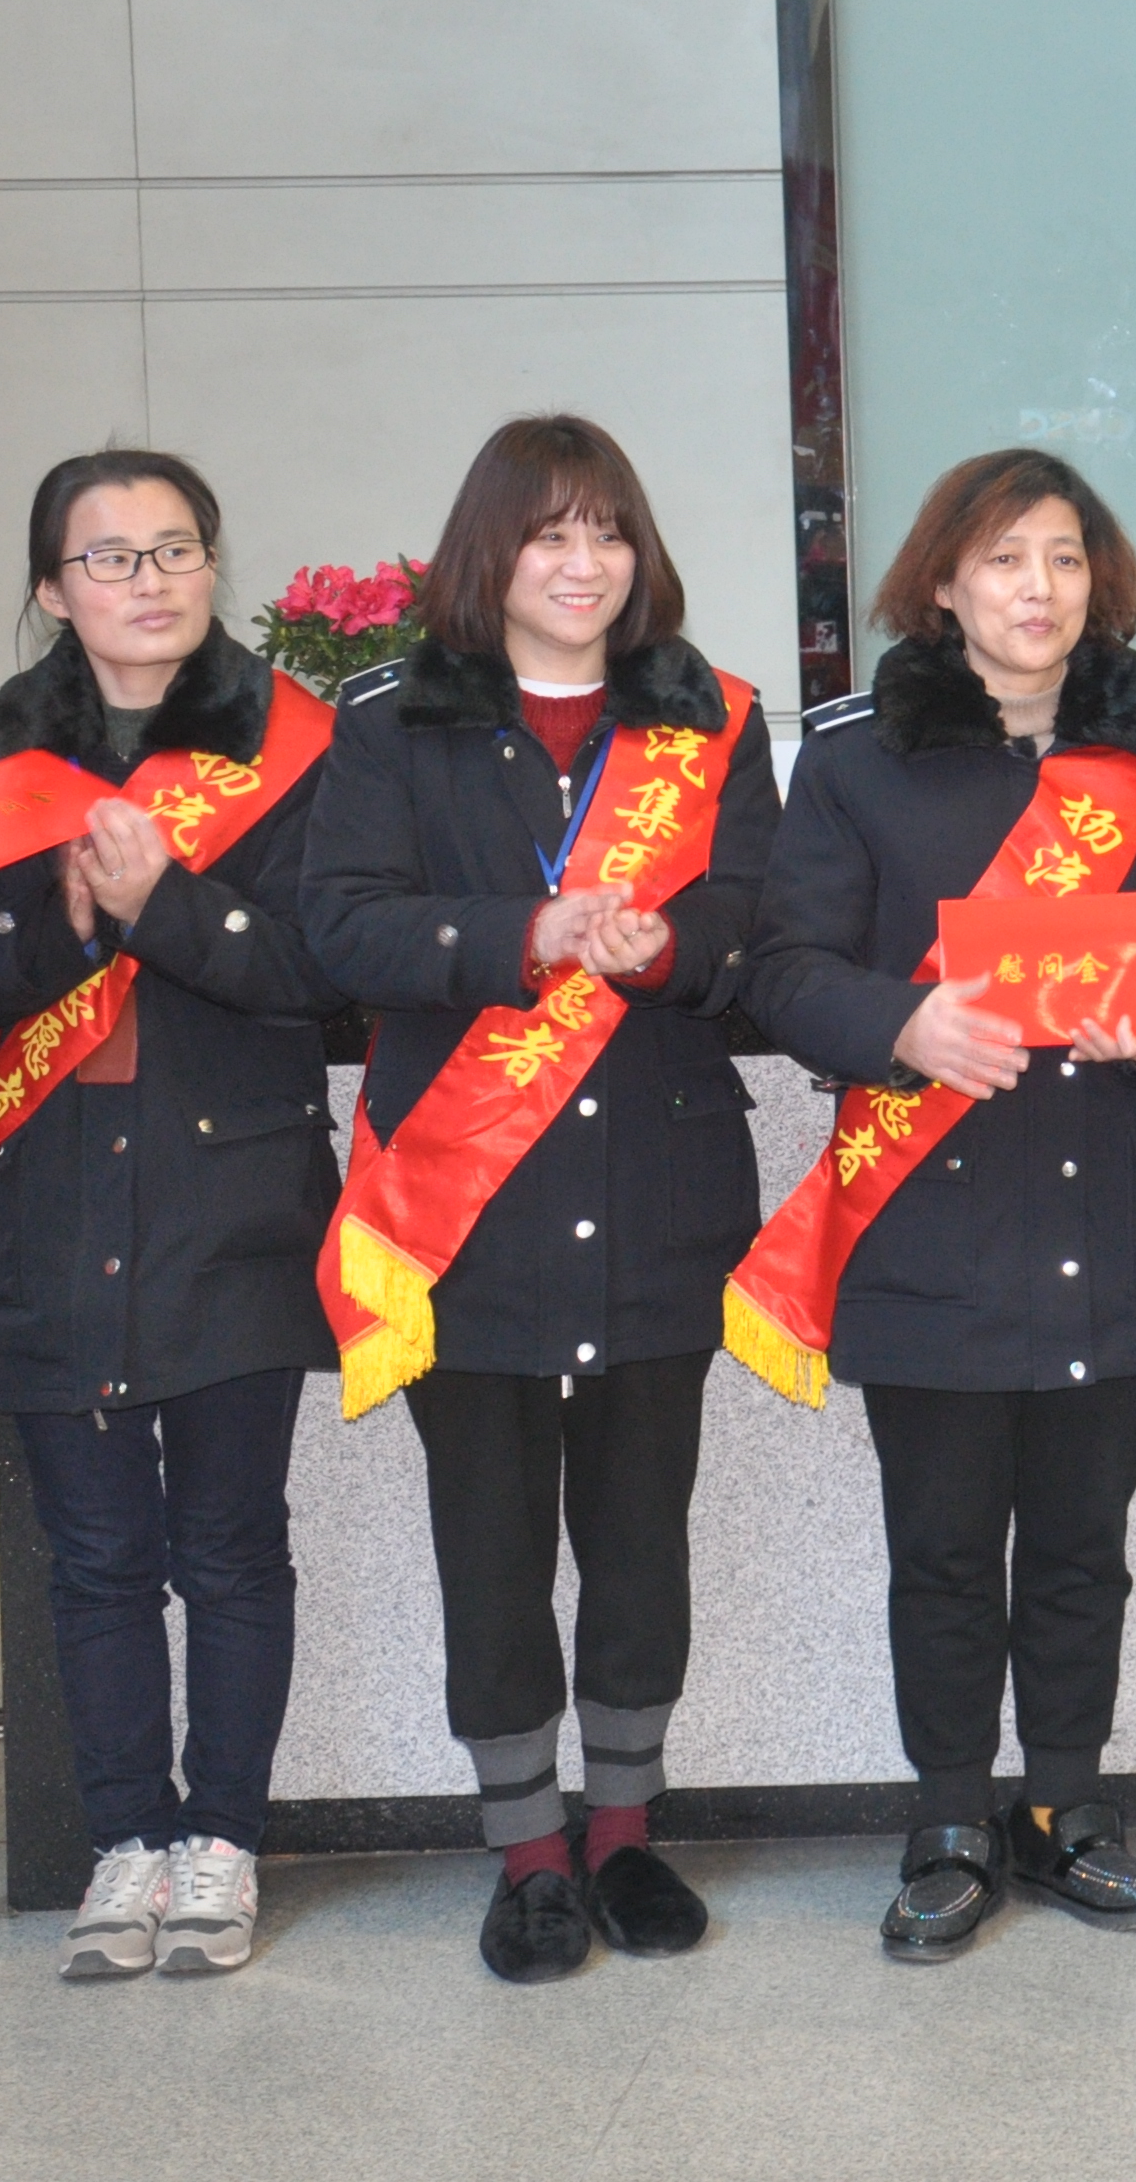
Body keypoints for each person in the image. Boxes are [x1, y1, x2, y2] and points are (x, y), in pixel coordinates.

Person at [298, 415, 776, 1985]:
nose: (584, 563)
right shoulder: (391, 722)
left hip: (660, 1190)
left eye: (609, 531)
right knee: (490, 1548)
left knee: (641, 1541)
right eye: (549, 533)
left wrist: (675, 950)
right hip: (461, 1212)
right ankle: (526, 1854)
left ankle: (625, 1834)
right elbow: (341, 930)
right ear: (487, 552)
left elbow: (760, 927)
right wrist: (527, 936)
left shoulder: (710, 719)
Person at [738, 450, 1136, 1959]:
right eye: (1004, 559)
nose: (1038, 589)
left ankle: (1068, 1808)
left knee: (1083, 1545)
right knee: (941, 1549)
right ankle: (948, 1818)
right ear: (943, 582)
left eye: (1064, 558)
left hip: (1113, 1198)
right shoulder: (858, 758)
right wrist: (905, 1024)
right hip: (929, 1209)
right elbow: (781, 969)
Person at [0, 451, 348, 1981]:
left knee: (230, 1545)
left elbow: (325, 969)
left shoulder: (300, 744)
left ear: (214, 566)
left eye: (175, 549)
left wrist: (170, 904)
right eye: (109, 557)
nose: (147, 581)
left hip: (234, 1190)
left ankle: (224, 1841)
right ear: (51, 588)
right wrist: (75, 913)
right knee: (93, 1557)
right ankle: (124, 1843)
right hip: (49, 1197)